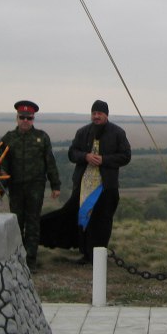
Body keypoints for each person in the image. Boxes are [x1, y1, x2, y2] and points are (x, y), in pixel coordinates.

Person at [63, 99, 132, 264]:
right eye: (94, 113)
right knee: (83, 218)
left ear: (106, 115)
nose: (96, 116)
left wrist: (104, 160)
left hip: (106, 186)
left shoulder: (118, 133)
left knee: (102, 221)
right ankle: (85, 254)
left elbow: (126, 156)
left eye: (99, 113)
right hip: (83, 184)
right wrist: (85, 156)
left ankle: (99, 256)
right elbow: (72, 153)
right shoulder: (82, 132)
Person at [1, 100, 61, 270]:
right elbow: (1, 165)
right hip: (16, 186)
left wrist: (55, 185)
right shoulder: (9, 138)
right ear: (17, 118)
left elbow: (50, 162)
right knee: (16, 223)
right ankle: (16, 258)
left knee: (33, 222)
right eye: (22, 117)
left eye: (29, 118)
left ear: (33, 118)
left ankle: (31, 260)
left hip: (36, 186)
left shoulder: (42, 138)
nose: (25, 121)